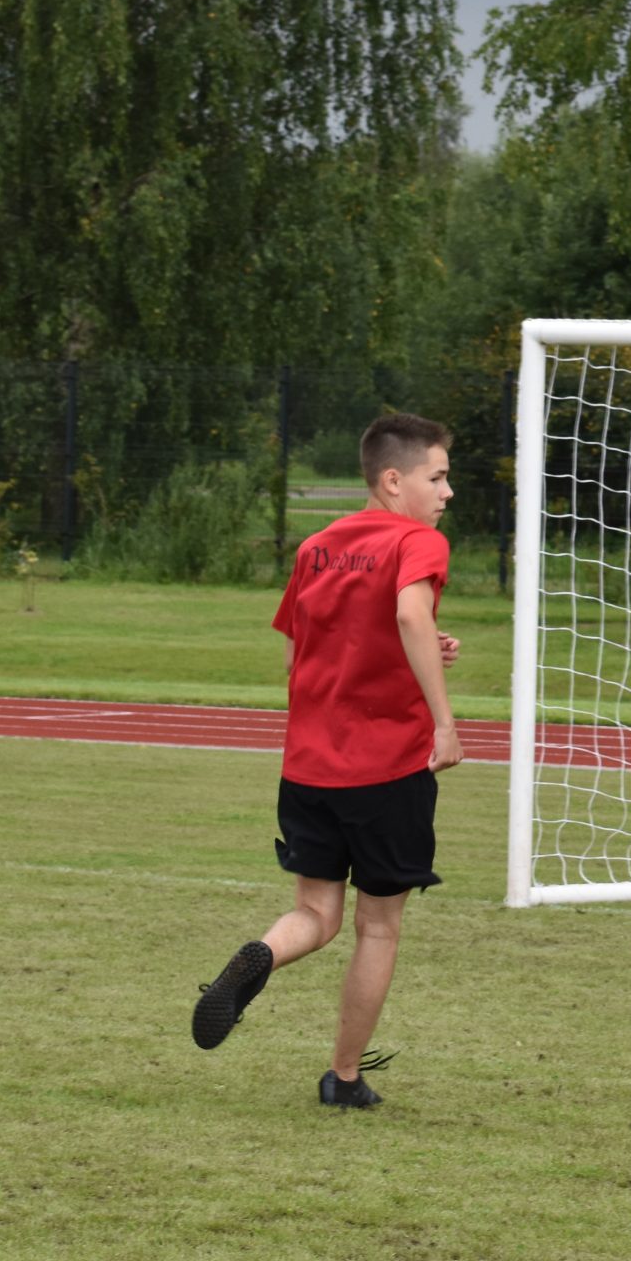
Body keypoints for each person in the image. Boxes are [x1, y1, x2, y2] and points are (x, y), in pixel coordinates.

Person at [190, 412, 463, 1109]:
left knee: (315, 912)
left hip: (308, 767)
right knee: (378, 925)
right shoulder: (419, 541)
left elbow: (299, 652)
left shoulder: (317, 546)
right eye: (437, 477)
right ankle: (343, 1078)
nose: (447, 492)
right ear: (393, 479)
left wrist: (422, 646)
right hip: (387, 770)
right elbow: (407, 615)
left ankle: (262, 953)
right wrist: (443, 721)